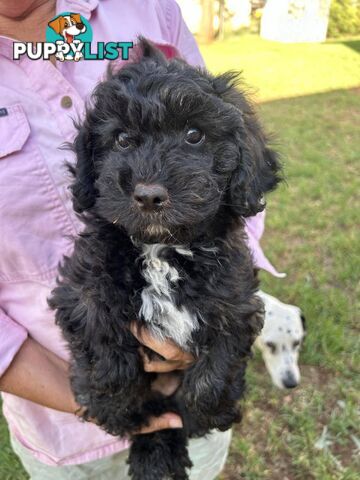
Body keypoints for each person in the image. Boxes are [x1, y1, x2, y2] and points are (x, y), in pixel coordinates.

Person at [0, 1, 284, 478]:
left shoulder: (146, 6)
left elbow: (227, 138)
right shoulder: (98, 266)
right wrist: (108, 392)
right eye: (125, 142)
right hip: (61, 431)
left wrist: (207, 374)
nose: (150, 182)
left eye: (190, 137)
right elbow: (81, 306)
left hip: (195, 417)